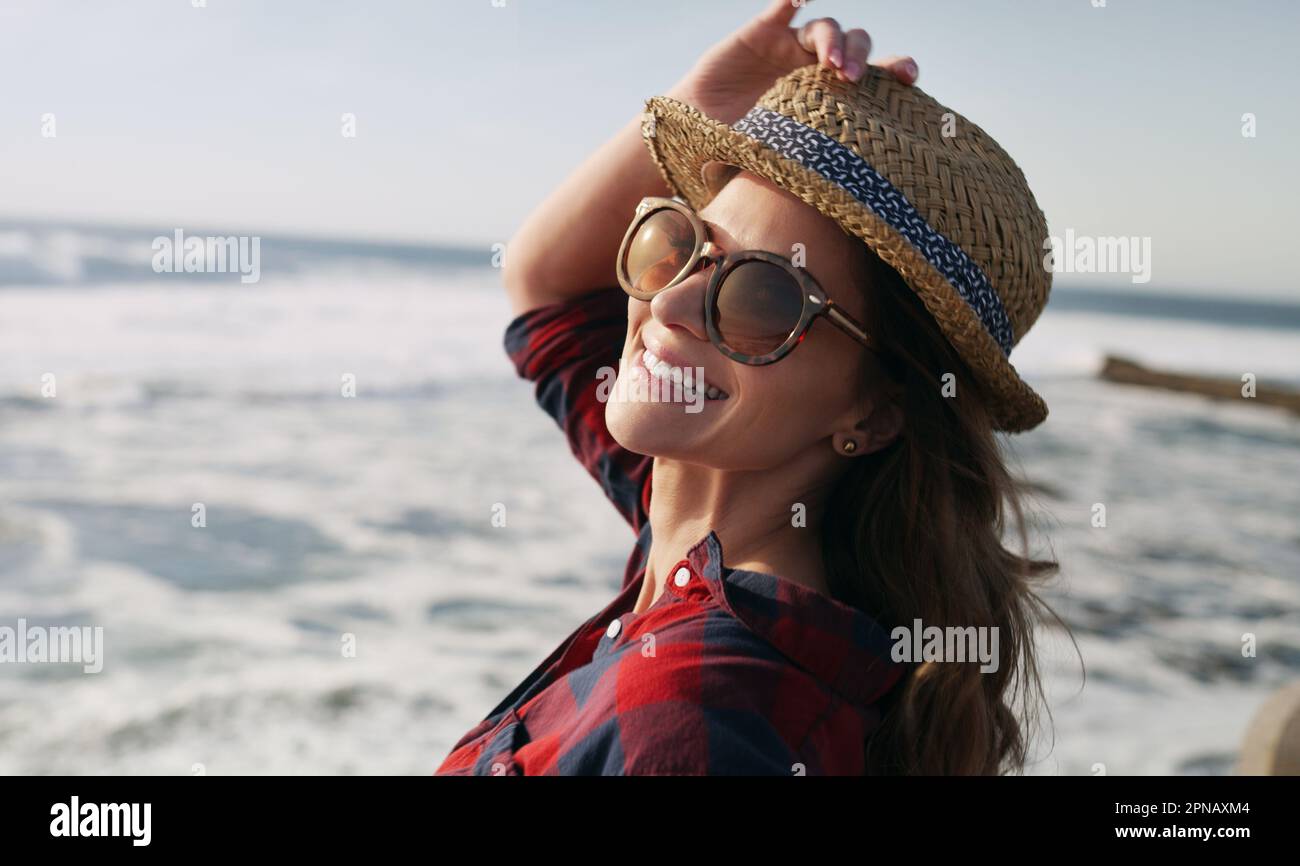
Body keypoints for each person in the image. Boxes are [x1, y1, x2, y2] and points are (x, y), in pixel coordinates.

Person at [435, 1, 1058, 776]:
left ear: (880, 406)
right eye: (679, 244)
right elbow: (546, 289)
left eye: (764, 298)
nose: (667, 305)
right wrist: (714, 96)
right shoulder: (688, 536)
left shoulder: (700, 712)